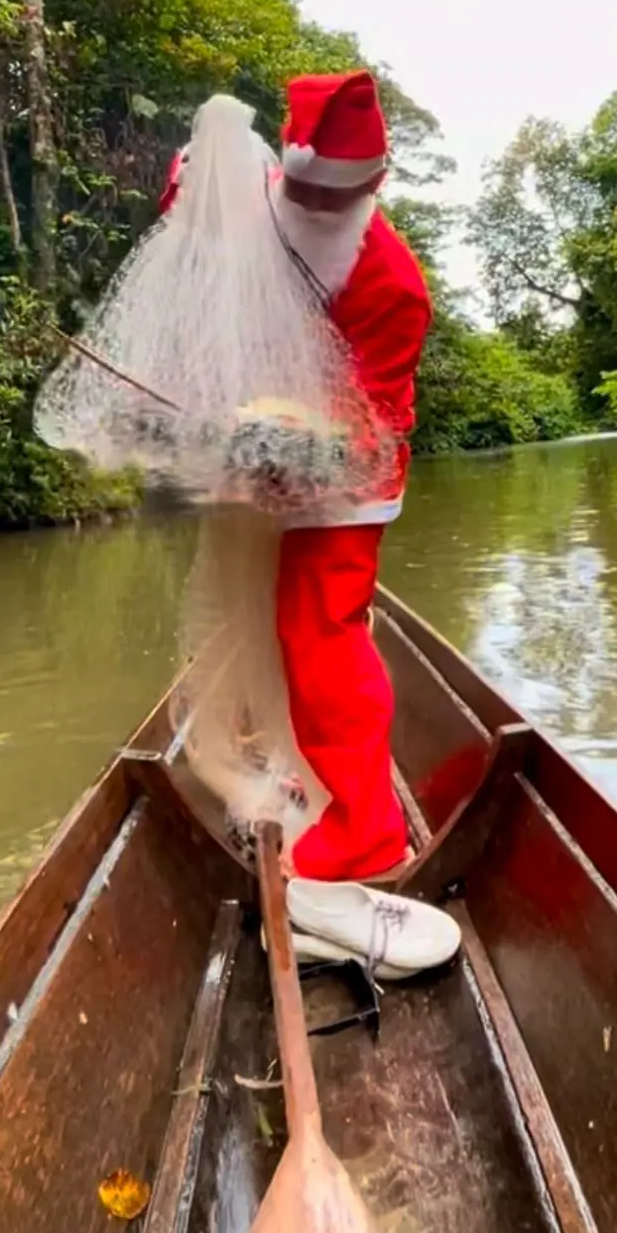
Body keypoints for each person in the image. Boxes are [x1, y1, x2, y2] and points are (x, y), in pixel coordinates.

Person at [161, 71, 432, 881]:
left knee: (320, 641)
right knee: (264, 632)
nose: (311, 211)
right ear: (285, 168)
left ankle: (364, 837)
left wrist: (301, 453)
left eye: (329, 202)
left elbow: (376, 418)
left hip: (349, 476)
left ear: (376, 186)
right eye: (301, 194)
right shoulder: (262, 195)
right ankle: (295, 766)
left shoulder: (390, 283)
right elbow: (195, 201)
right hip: (258, 446)